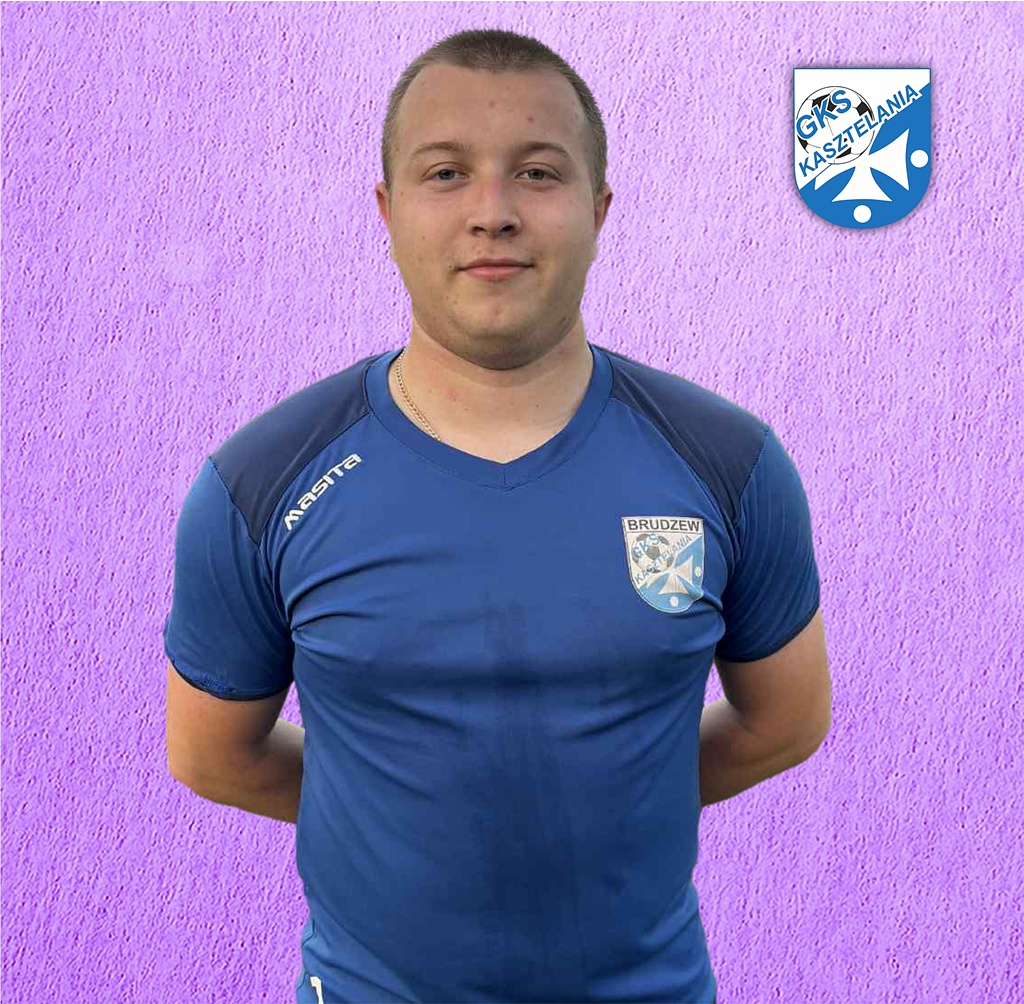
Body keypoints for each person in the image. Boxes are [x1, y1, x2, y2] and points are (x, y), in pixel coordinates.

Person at [164, 27, 831, 1004]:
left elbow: (785, 723)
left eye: (537, 172)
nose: (493, 213)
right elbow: (211, 754)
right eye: (446, 173)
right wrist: (396, 810)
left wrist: (619, 796)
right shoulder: (260, 483)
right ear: (387, 211)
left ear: (599, 209)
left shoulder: (729, 463)